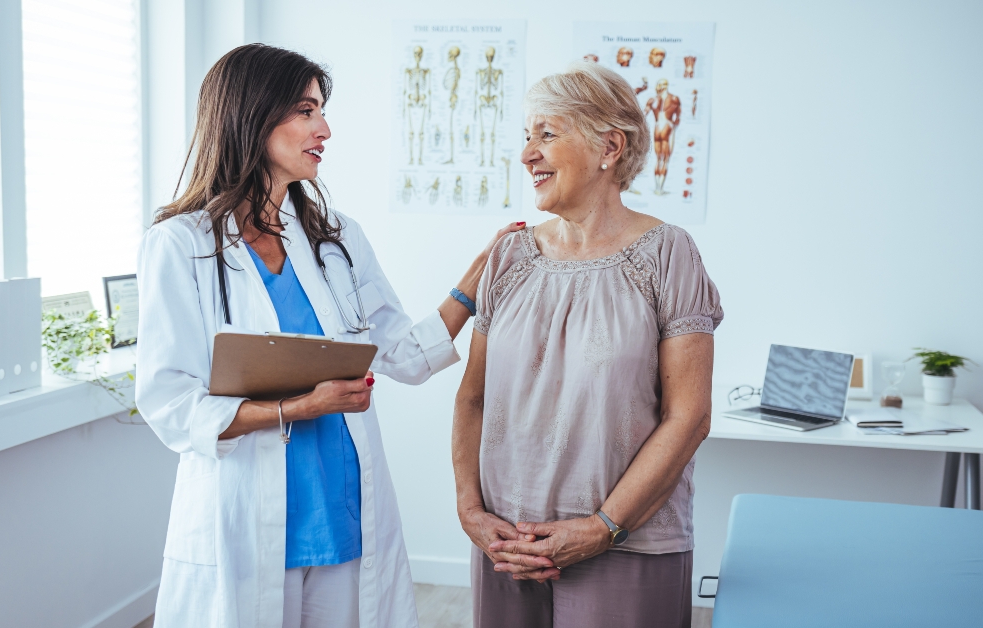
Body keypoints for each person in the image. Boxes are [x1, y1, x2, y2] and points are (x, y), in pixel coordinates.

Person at [136, 44, 522, 628]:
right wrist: (298, 408)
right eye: (305, 111)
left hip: (341, 505)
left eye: (321, 110)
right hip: (244, 510)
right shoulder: (181, 244)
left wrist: (474, 280)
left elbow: (404, 354)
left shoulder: (336, 237)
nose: (325, 129)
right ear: (251, 114)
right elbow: (169, 401)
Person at [452, 61, 723, 627]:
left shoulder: (668, 255)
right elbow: (473, 397)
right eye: (527, 136)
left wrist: (603, 527)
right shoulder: (508, 255)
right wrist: (470, 510)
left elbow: (690, 416)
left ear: (610, 147)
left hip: (626, 543)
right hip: (506, 545)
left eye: (546, 134)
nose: (527, 154)